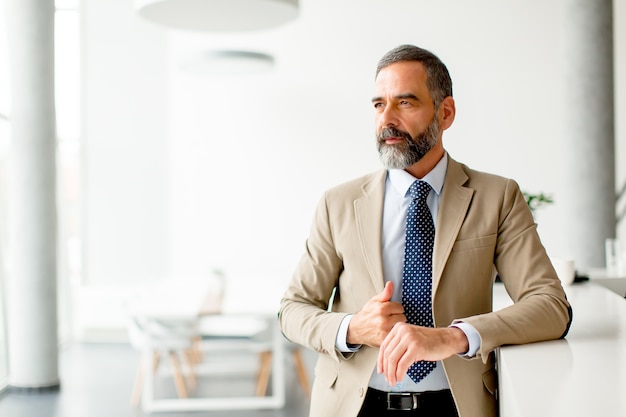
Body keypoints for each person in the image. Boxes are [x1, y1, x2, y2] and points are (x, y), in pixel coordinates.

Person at [278, 44, 572, 417]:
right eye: (378, 105)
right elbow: (292, 310)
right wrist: (352, 328)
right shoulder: (338, 202)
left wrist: (453, 337)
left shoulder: (497, 197)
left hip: (457, 406)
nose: (387, 119)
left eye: (405, 103)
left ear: (445, 112)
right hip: (353, 406)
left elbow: (550, 306)